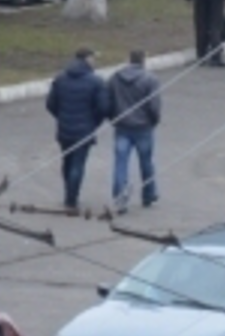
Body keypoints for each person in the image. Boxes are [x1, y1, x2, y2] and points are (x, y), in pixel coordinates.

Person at [46, 48, 108, 212]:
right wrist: (94, 122)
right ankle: (71, 200)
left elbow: (50, 104)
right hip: (84, 129)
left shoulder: (60, 79)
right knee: (78, 164)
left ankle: (69, 192)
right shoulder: (96, 81)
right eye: (93, 58)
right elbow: (103, 107)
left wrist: (61, 117)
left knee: (67, 161)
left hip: (65, 128)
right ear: (87, 59)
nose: (95, 61)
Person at [105, 49, 162, 214]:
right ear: (143, 60)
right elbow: (154, 105)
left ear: (129, 60)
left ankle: (120, 198)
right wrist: (154, 121)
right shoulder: (150, 79)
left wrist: (112, 117)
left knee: (120, 163)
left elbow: (108, 100)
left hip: (122, 126)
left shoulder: (115, 78)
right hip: (143, 127)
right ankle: (148, 193)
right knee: (146, 161)